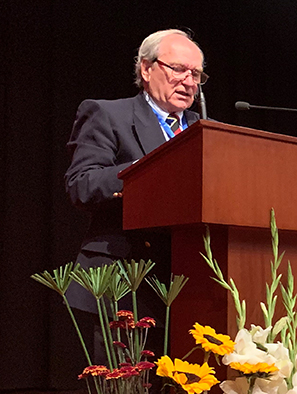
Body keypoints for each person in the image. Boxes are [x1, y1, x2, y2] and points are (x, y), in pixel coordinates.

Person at [63, 29, 206, 362]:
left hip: (191, 282)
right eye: (178, 69)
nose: (188, 81)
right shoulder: (108, 115)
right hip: (127, 280)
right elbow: (82, 184)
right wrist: (145, 169)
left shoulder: (206, 131)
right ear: (146, 69)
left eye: (196, 74)